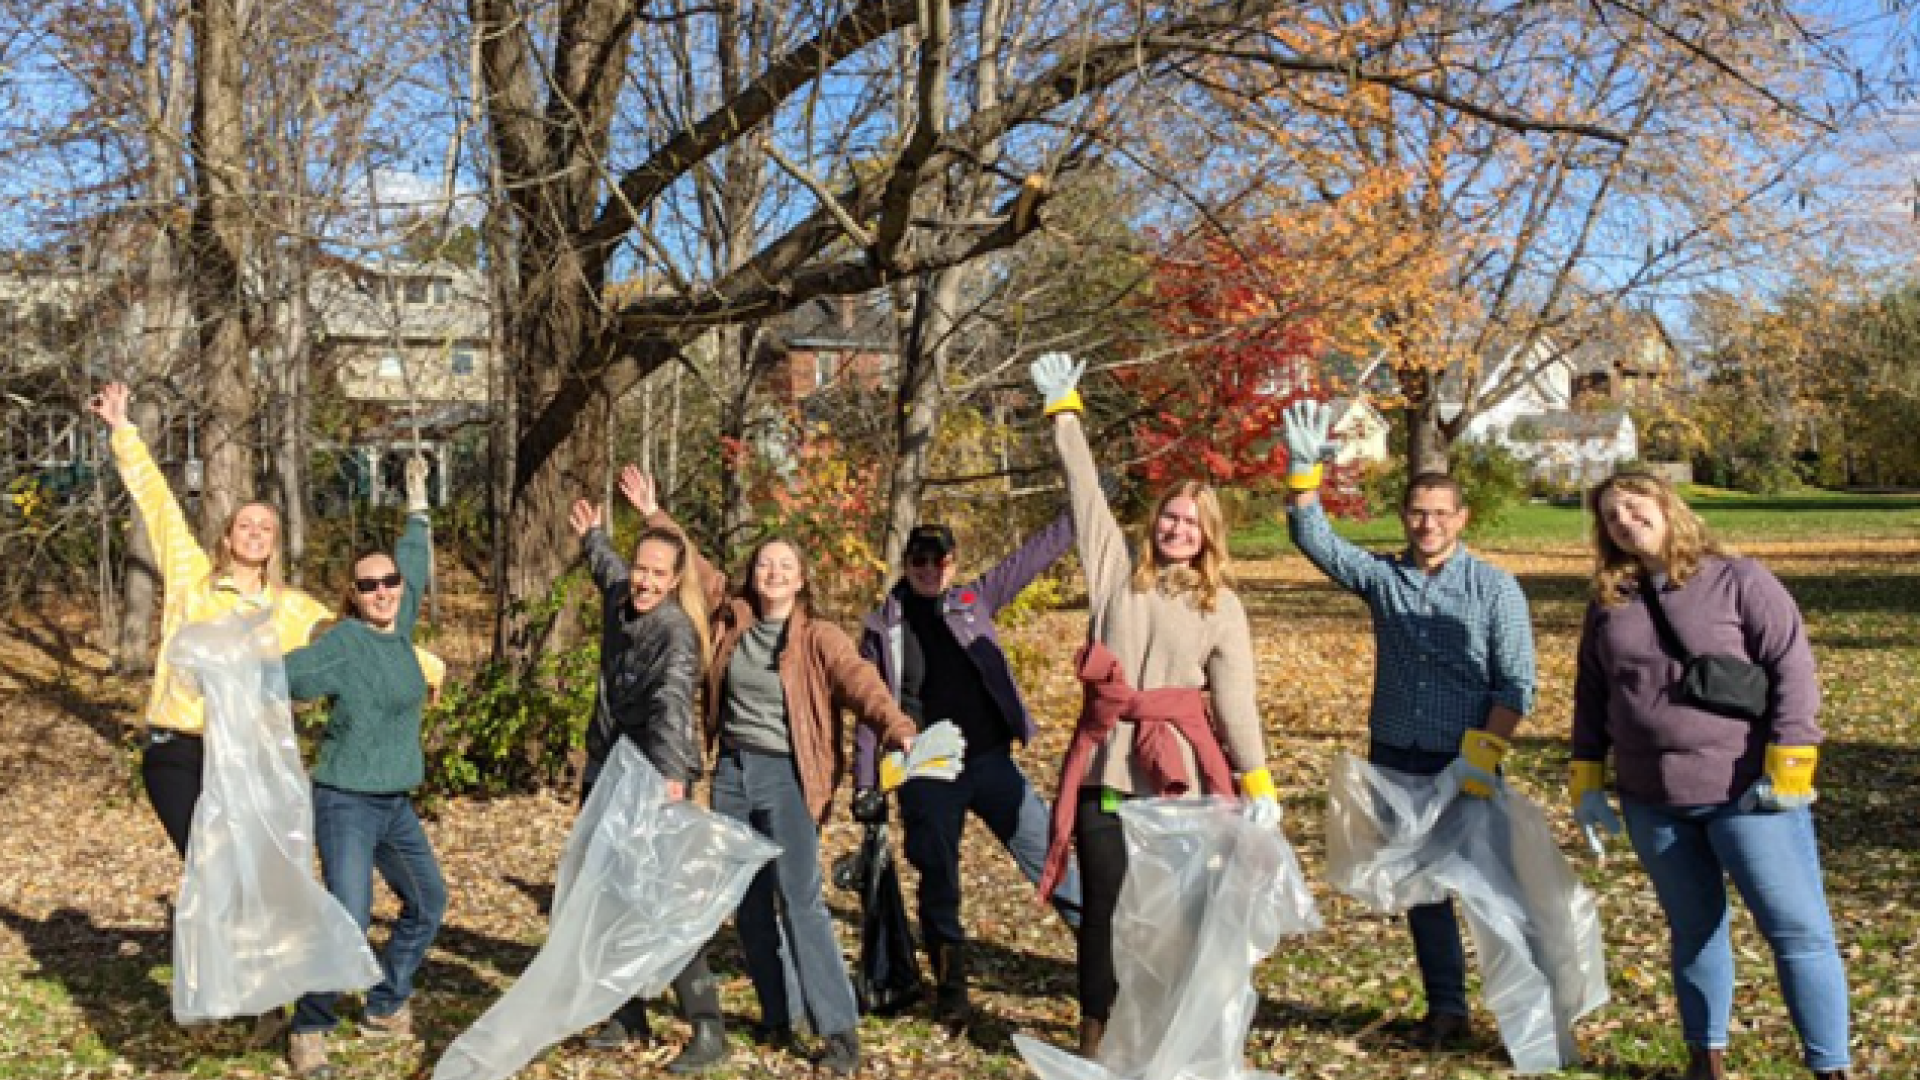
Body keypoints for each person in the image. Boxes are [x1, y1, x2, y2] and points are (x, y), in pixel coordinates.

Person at [1027, 352, 1281, 1059]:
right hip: (1107, 772)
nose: (1176, 531)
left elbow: (1236, 701)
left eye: (1191, 525)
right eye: (1170, 517)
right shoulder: (1115, 570)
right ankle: (1095, 1033)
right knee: (1103, 910)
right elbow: (1083, 493)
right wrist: (1065, 414)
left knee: (1171, 916)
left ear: (1208, 537)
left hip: (1178, 783)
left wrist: (1257, 781)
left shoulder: (1221, 605)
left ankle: (1165, 1029)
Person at [1570, 472, 1850, 1080]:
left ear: (1667, 506)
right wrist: (1588, 782)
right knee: (1693, 932)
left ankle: (1832, 1068)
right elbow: (1591, 695)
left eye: (1634, 506)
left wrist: (1791, 764)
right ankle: (1707, 1059)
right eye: (1611, 515)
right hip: (1654, 800)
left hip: (1747, 795)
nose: (1624, 520)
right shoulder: (1609, 599)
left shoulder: (1739, 580)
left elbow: (1792, 669)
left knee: (1796, 932)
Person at [1280, 400, 1536, 1049]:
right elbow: (1316, 541)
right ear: (1406, 517)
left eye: (1440, 513)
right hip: (1398, 757)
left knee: (1490, 891)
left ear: (1462, 519)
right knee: (1424, 889)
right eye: (1418, 512)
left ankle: (1524, 1017)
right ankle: (1446, 1009)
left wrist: (1481, 757)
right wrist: (1303, 472)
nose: (1428, 523)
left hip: (1468, 759)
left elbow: (1517, 685)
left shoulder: (1495, 589)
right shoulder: (1385, 579)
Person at [851, 518, 1085, 1030]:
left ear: (954, 563)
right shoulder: (882, 626)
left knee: (1047, 849)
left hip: (988, 759)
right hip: (926, 769)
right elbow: (871, 709)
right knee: (938, 870)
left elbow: (1033, 554)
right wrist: (866, 786)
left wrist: (1084, 504)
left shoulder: (974, 601)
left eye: (941, 560)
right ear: (906, 564)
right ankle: (951, 985)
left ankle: (1102, 954)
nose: (930, 570)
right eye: (920, 560)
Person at [87, 382, 331, 857]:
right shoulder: (191, 579)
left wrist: (427, 667)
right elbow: (159, 506)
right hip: (177, 751)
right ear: (227, 538)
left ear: (275, 543)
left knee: (247, 877)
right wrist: (122, 429)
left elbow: (355, 642)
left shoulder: (294, 608)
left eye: (266, 527)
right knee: (206, 864)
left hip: (245, 758)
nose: (255, 532)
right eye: (246, 524)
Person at [282, 458, 449, 1079]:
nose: (383, 590)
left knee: (428, 902)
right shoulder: (345, 644)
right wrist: (229, 666)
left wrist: (417, 500)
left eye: (390, 582)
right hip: (345, 800)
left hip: (395, 803)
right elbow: (287, 674)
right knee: (348, 916)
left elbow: (416, 560)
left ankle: (385, 1003)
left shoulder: (400, 630)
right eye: (369, 585)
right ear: (353, 594)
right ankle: (310, 1025)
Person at [567, 472, 731, 1074]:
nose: (645, 581)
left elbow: (671, 704)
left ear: (674, 581)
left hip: (654, 775)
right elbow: (608, 569)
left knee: (663, 900)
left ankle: (708, 1026)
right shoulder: (621, 595)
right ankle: (628, 1010)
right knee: (611, 890)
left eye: (659, 575)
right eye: (643, 569)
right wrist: (593, 538)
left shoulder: (676, 633)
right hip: (608, 765)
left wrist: (669, 779)